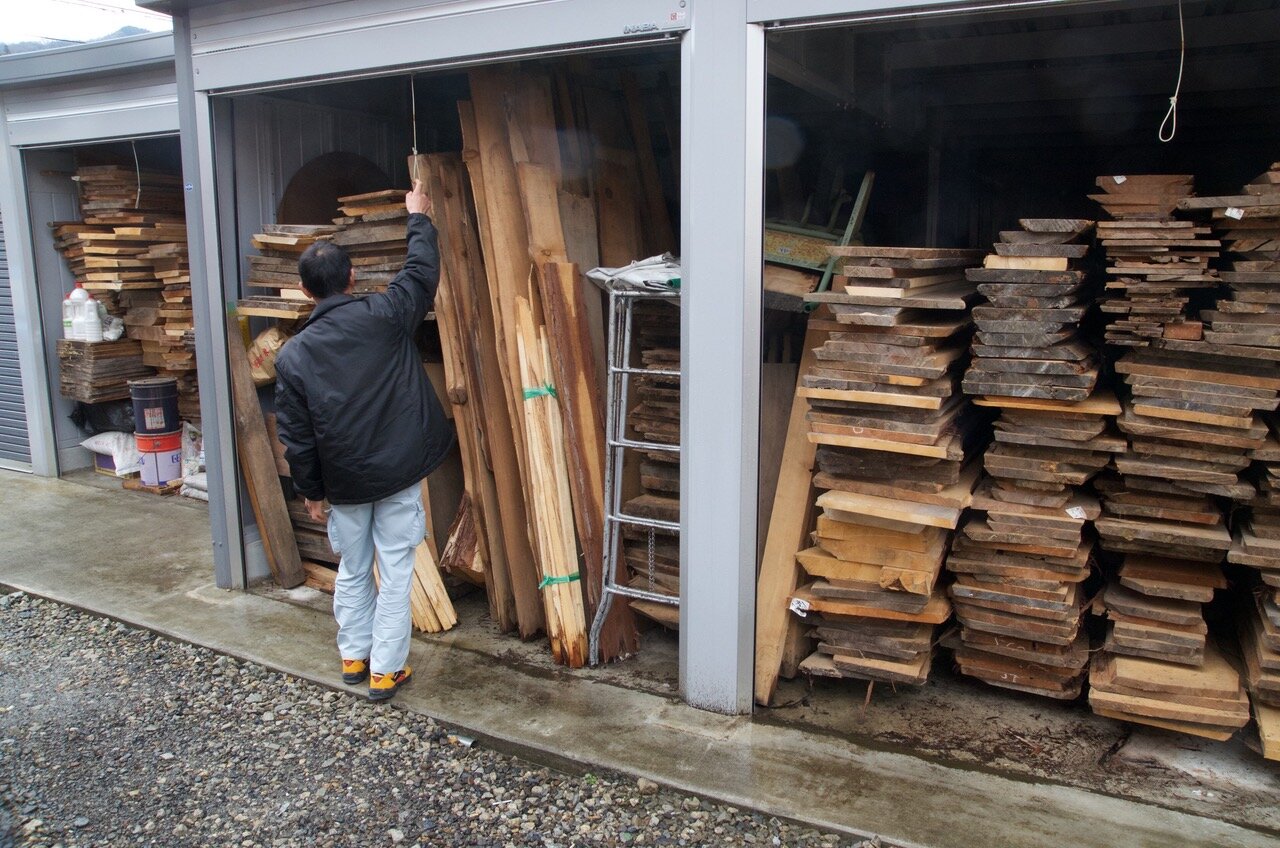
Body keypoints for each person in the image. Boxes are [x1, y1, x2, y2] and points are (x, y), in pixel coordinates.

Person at [274, 179, 453, 702]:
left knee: (353, 569)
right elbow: (421, 274)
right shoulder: (384, 316)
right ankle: (386, 672)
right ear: (352, 278)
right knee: (396, 572)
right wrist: (417, 215)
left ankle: (354, 657)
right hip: (397, 472)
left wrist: (311, 490)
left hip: (346, 483)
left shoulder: (293, 357)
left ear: (307, 291)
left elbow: (297, 437)